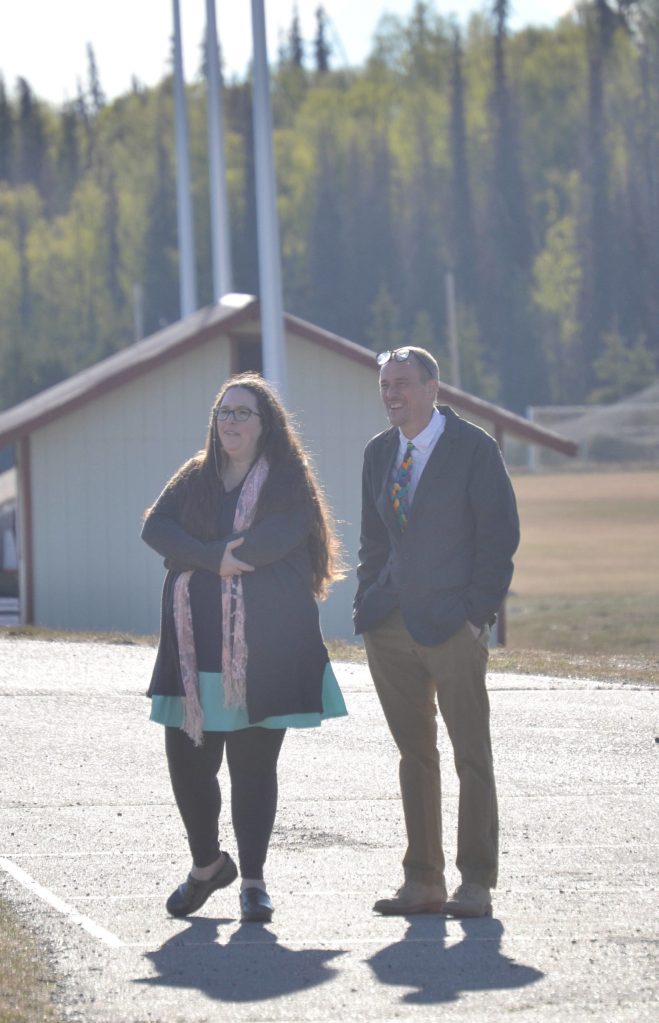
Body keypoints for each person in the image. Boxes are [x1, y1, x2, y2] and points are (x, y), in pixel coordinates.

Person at [142, 372, 347, 923]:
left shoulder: (287, 478)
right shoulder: (195, 475)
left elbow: (280, 537)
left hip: (263, 651)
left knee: (253, 770)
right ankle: (207, 866)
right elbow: (156, 530)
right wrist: (216, 557)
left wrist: (198, 553)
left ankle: (253, 881)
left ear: (265, 425)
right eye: (223, 412)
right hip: (193, 651)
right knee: (188, 766)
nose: (229, 421)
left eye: (242, 413)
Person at [353, 346, 519, 918]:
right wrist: (366, 602)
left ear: (432, 388)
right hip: (390, 625)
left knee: (471, 755)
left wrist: (477, 616)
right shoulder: (379, 452)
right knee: (413, 755)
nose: (392, 394)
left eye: (402, 383)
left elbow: (499, 540)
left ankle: (476, 882)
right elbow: (373, 539)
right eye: (385, 386)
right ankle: (422, 879)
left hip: (453, 625)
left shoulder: (474, 450)